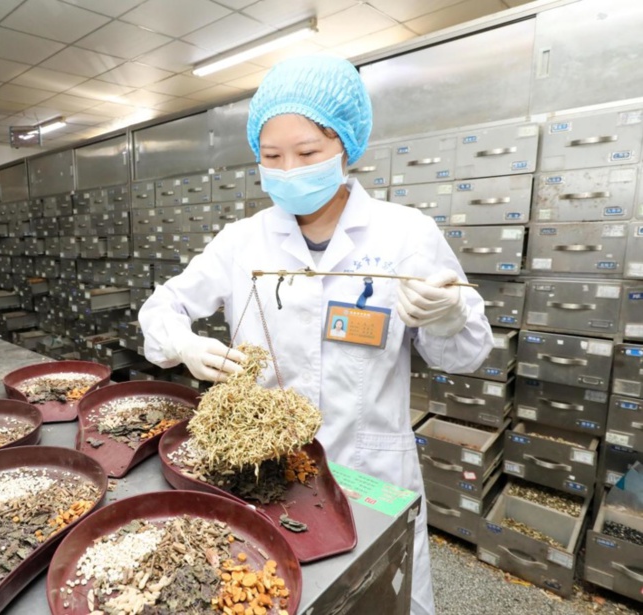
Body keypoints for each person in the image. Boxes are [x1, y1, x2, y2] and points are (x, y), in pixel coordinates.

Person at [138, 55, 493, 615]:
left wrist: (448, 314)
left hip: (367, 471)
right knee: (272, 593)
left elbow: (468, 355)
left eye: (307, 154)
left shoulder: (405, 234)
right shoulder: (242, 241)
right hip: (262, 466)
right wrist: (182, 344)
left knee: (377, 596)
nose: (289, 170)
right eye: (271, 156)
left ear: (346, 146)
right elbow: (163, 305)